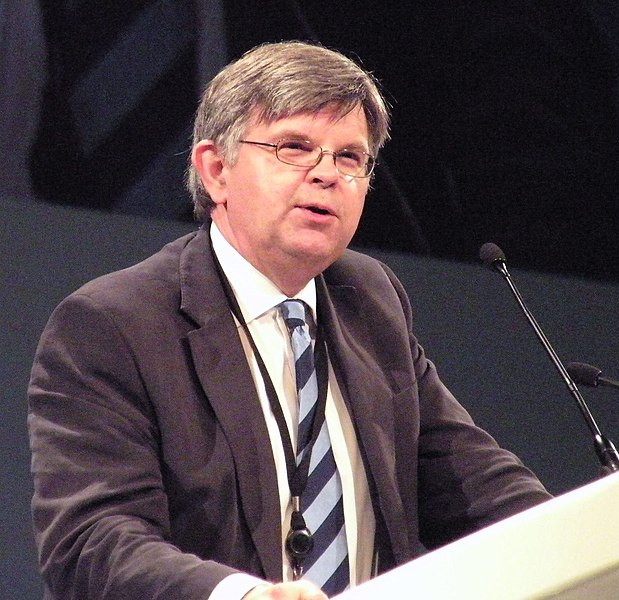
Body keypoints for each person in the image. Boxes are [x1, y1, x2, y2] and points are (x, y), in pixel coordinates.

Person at [28, 41, 551, 600]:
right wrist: (241, 596)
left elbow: (472, 484)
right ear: (216, 170)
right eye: (294, 148)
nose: (327, 175)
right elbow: (91, 542)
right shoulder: (113, 325)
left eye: (350, 158)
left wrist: (600, 536)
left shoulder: (368, 300)